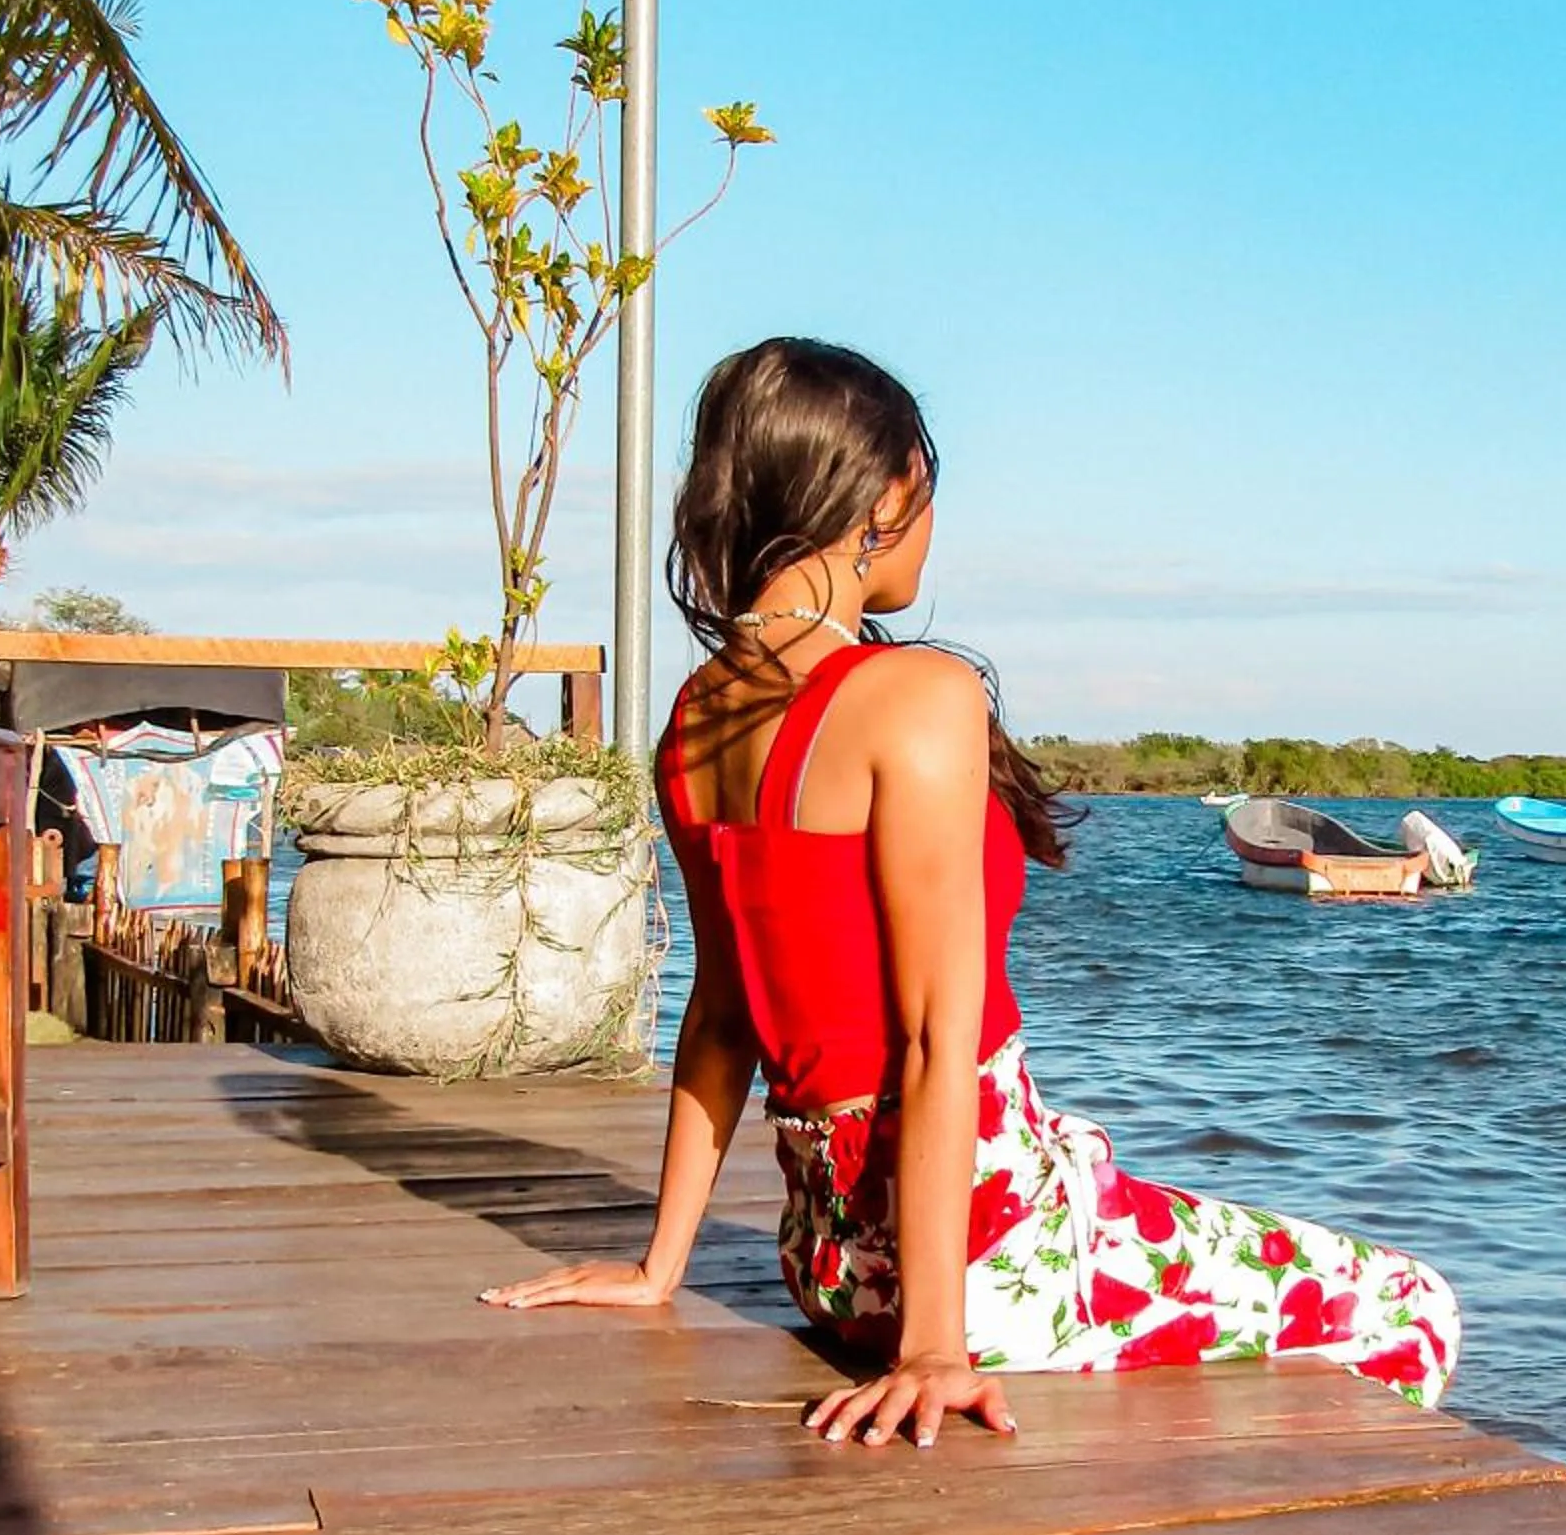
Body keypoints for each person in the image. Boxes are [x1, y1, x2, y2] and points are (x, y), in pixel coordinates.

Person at [481, 339, 1459, 1448]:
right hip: (988, 1249)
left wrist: (663, 1266)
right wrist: (937, 1343)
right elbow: (939, 1043)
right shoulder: (915, 696)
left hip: (835, 1271)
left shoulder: (698, 716)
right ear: (888, 495)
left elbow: (718, 1012)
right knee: (1409, 1306)